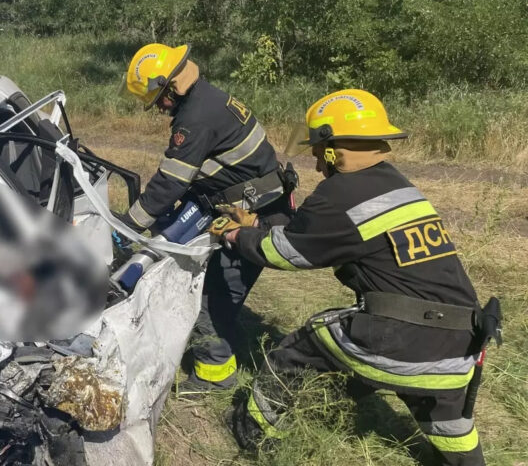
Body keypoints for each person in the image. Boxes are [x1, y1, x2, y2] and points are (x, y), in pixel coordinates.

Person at [212, 89, 500, 466]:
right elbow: (313, 231)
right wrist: (255, 223)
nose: (317, 166)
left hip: (406, 336)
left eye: (318, 154)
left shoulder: (340, 193)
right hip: (461, 341)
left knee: (295, 351)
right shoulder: (397, 185)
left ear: (334, 151)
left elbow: (287, 251)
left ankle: (253, 435)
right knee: (449, 423)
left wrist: (234, 235)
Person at [119, 42, 296, 390]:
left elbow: (169, 182)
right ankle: (227, 339)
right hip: (259, 204)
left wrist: (128, 225)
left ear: (170, 86)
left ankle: (215, 376)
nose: (159, 110)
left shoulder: (194, 118)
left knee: (212, 301)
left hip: (255, 217)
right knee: (220, 288)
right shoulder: (208, 98)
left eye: (159, 102)